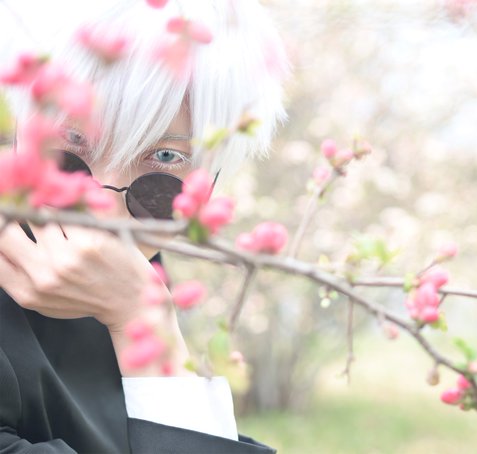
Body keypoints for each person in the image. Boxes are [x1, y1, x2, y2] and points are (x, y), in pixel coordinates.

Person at [0, 0, 286, 452]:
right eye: (72, 141)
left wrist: (144, 319)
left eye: (165, 158)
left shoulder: (136, 278)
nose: (103, 209)